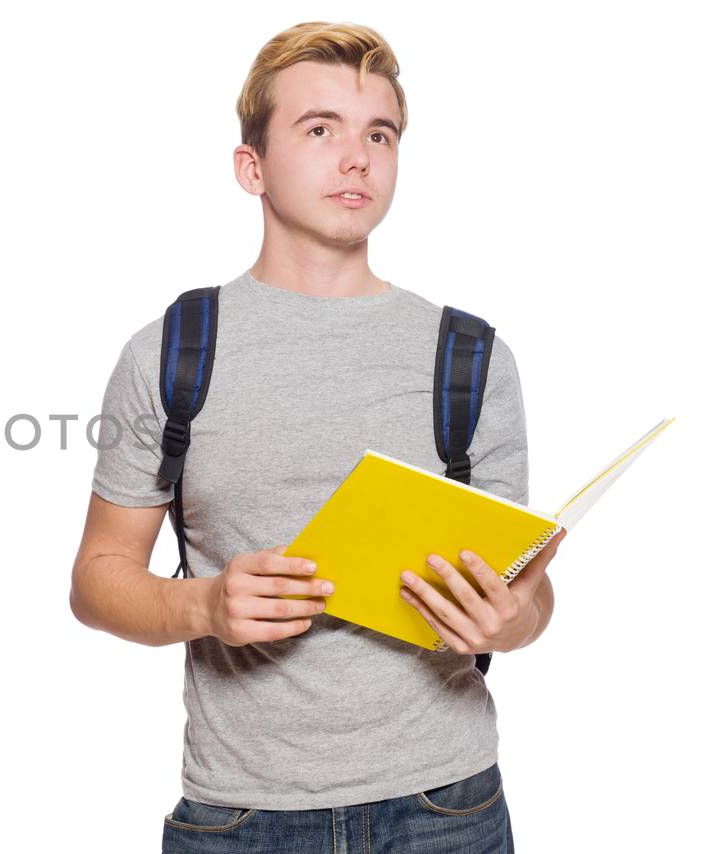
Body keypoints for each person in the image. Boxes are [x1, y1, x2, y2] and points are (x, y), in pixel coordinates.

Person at [69, 21, 564, 854]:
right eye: (320, 128)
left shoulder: (472, 357)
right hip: (238, 817)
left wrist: (510, 622)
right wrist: (202, 604)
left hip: (449, 811)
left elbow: (529, 596)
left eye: (380, 134)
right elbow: (96, 578)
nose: (358, 157)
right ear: (251, 168)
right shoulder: (173, 351)